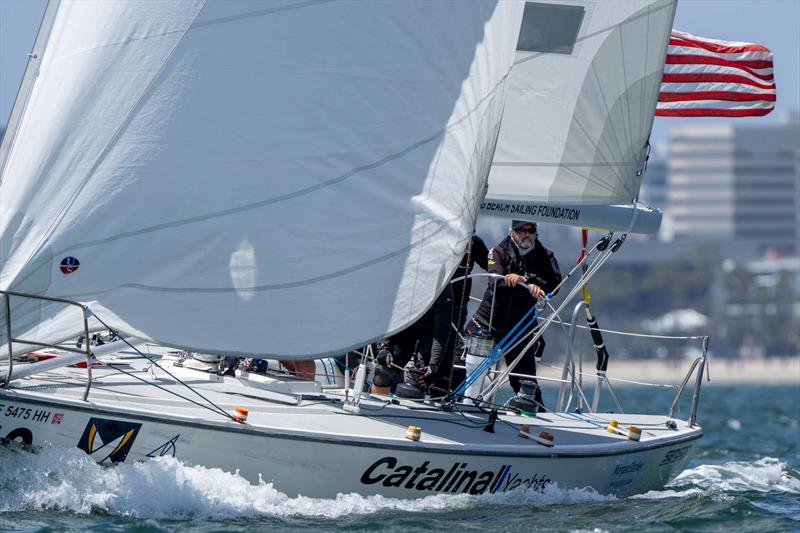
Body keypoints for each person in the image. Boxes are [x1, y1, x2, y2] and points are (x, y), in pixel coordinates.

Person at [466, 220, 561, 407]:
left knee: (525, 381)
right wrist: (528, 287)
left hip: (519, 327)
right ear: (512, 232)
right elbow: (497, 284)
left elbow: (554, 284)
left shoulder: (545, 255)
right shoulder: (497, 251)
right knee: (459, 368)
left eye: (531, 230)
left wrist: (525, 280)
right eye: (521, 230)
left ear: (536, 233)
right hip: (487, 321)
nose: (526, 234)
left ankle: (536, 416)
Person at [372, 284, 453, 396]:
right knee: (382, 372)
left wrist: (433, 365)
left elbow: (441, 333)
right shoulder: (406, 278)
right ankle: (375, 405)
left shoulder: (443, 288)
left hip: (427, 341)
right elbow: (387, 313)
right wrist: (382, 347)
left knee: (419, 382)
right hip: (402, 333)